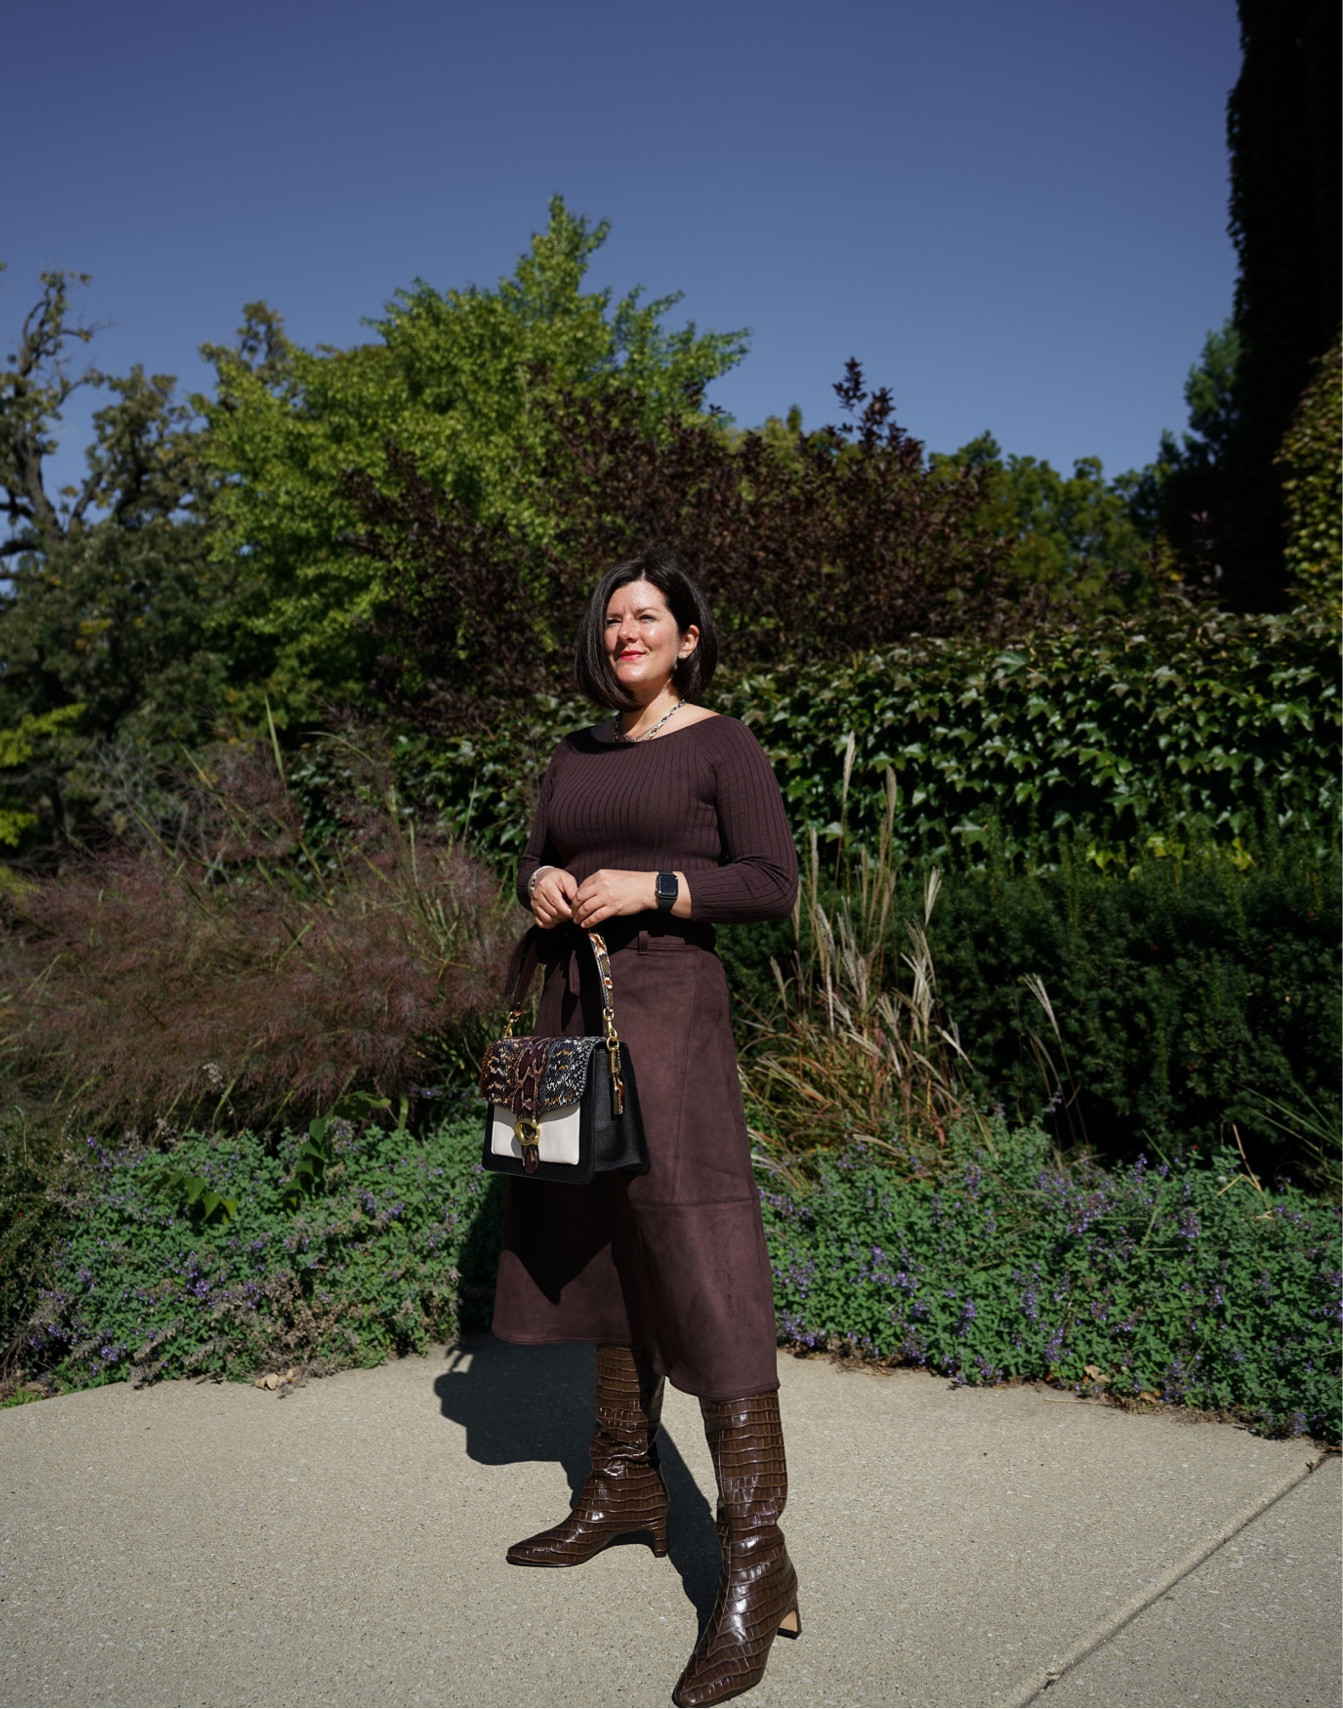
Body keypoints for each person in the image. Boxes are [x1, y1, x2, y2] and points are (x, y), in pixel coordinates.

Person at [491, 544, 802, 1708]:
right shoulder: (570, 753)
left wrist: (656, 888)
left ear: (686, 634)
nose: (626, 630)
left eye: (647, 615)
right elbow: (541, 850)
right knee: (594, 1240)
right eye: (613, 617)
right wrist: (542, 883)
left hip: (669, 1017)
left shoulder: (722, 742)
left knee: (698, 1254)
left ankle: (755, 1557)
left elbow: (769, 882)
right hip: (568, 1011)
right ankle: (623, 1483)